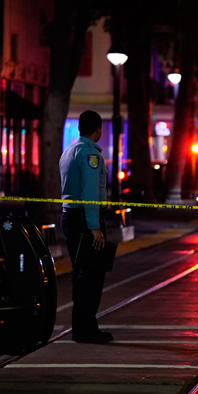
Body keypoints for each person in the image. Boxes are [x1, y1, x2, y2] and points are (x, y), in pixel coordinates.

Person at [60, 110, 112, 344]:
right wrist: (94, 226)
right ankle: (86, 328)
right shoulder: (90, 154)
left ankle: (81, 326)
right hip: (85, 219)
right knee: (92, 274)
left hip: (70, 216)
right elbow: (90, 193)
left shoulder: (69, 151)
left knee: (80, 274)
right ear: (98, 129)